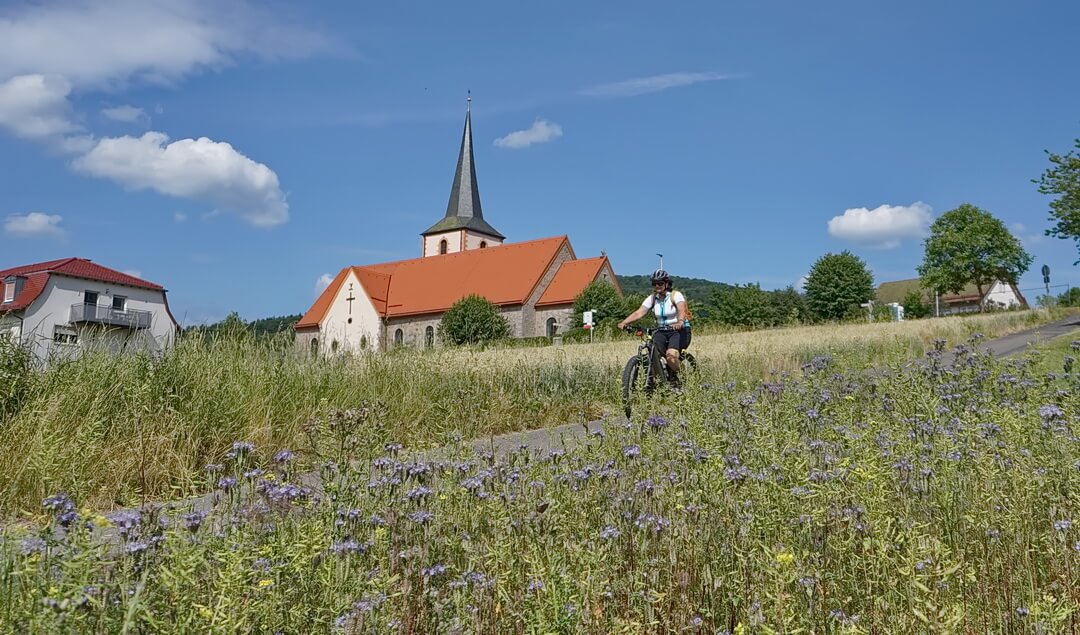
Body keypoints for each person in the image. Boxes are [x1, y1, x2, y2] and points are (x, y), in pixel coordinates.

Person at [618, 268, 690, 386]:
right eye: (654, 283)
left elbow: (682, 309)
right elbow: (639, 312)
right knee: (653, 356)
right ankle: (658, 384)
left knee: (671, 357)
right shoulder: (652, 298)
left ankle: (685, 378)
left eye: (660, 283)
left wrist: (680, 321)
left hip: (678, 330)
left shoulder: (676, 295)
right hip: (661, 330)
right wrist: (624, 323)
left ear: (666, 283)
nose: (657, 286)